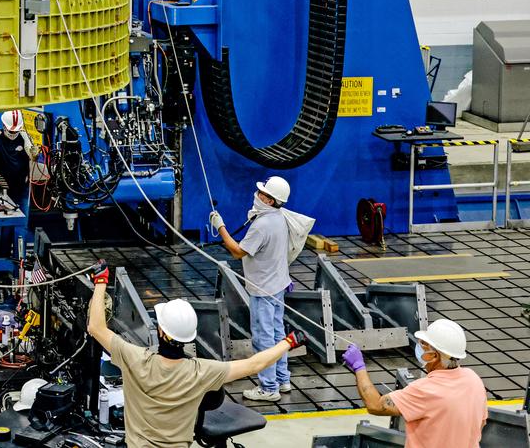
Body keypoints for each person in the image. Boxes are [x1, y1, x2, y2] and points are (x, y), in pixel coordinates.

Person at [87, 274, 303, 448]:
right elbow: (255, 364)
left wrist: (101, 281)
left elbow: (96, 327)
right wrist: (288, 342)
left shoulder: (135, 359)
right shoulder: (202, 371)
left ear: (161, 332)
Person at [209, 175, 295, 402]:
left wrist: (220, 227)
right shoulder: (279, 217)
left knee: (263, 339)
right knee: (278, 334)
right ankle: (282, 379)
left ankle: (269, 388)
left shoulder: (262, 225)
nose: (257, 195)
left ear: (270, 200)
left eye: (262, 193)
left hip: (263, 290)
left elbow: (238, 252)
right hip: (278, 285)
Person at [342, 319, 487, 448]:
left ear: (434, 356)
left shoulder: (426, 390)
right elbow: (480, 424)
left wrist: (359, 366)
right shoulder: (474, 381)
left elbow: (375, 405)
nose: (420, 346)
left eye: (424, 344)